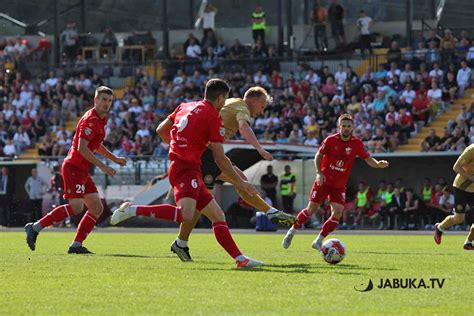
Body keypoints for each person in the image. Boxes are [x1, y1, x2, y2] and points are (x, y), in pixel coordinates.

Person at [110, 79, 264, 268]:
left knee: (218, 215)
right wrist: (241, 183)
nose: (224, 105)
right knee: (186, 214)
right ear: (220, 98)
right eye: (224, 100)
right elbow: (220, 159)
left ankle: (240, 259)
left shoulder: (185, 105)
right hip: (185, 168)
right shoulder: (213, 117)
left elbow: (161, 130)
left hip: (185, 165)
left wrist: (181, 147)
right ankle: (131, 209)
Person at [167, 86, 296, 261]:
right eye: (262, 106)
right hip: (206, 155)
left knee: (236, 182)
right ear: (254, 100)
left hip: (208, 153)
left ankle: (181, 242)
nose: (262, 111)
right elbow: (243, 127)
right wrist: (259, 148)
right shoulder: (242, 107)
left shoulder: (231, 103)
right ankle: (177, 238)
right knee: (208, 200)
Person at [24, 86, 127, 254]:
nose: (106, 103)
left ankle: (76, 245)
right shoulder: (90, 119)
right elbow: (82, 148)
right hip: (73, 167)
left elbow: (96, 145)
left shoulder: (102, 119)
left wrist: (114, 159)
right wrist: (103, 166)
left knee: (96, 208)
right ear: (95, 100)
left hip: (83, 170)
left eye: (109, 100)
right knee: (77, 207)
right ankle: (35, 227)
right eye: (103, 99)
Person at [282, 114, 389, 250]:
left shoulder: (356, 143)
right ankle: (292, 231)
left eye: (348, 126)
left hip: (338, 185)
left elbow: (367, 158)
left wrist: (378, 164)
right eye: (343, 126)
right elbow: (318, 155)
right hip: (324, 180)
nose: (346, 128)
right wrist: (319, 173)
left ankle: (319, 240)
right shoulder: (331, 140)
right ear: (339, 127)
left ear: (352, 128)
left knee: (338, 212)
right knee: (311, 209)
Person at [434, 144, 474, 249]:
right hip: (462, 187)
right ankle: (440, 228)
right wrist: (471, 178)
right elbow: (456, 167)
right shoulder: (471, 149)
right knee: (459, 219)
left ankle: (468, 242)